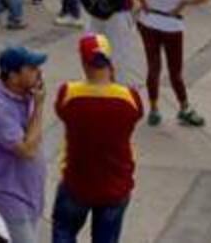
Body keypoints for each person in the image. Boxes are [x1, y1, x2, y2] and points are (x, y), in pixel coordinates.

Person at [52, 33, 143, 243]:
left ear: (83, 63)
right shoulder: (129, 97)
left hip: (77, 182)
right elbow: (137, 115)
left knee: (64, 231)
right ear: (110, 62)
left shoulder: (69, 93)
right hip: (115, 184)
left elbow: (61, 111)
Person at [120, 0, 209, 128]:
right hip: (172, 24)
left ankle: (154, 109)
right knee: (175, 71)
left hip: (148, 21)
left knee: (153, 67)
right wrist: (183, 1)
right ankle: (184, 107)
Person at [0, 47, 47, 243]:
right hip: (10, 201)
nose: (39, 72)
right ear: (13, 76)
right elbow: (27, 150)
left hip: (32, 195)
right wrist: (39, 106)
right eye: (32, 68)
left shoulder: (28, 95)